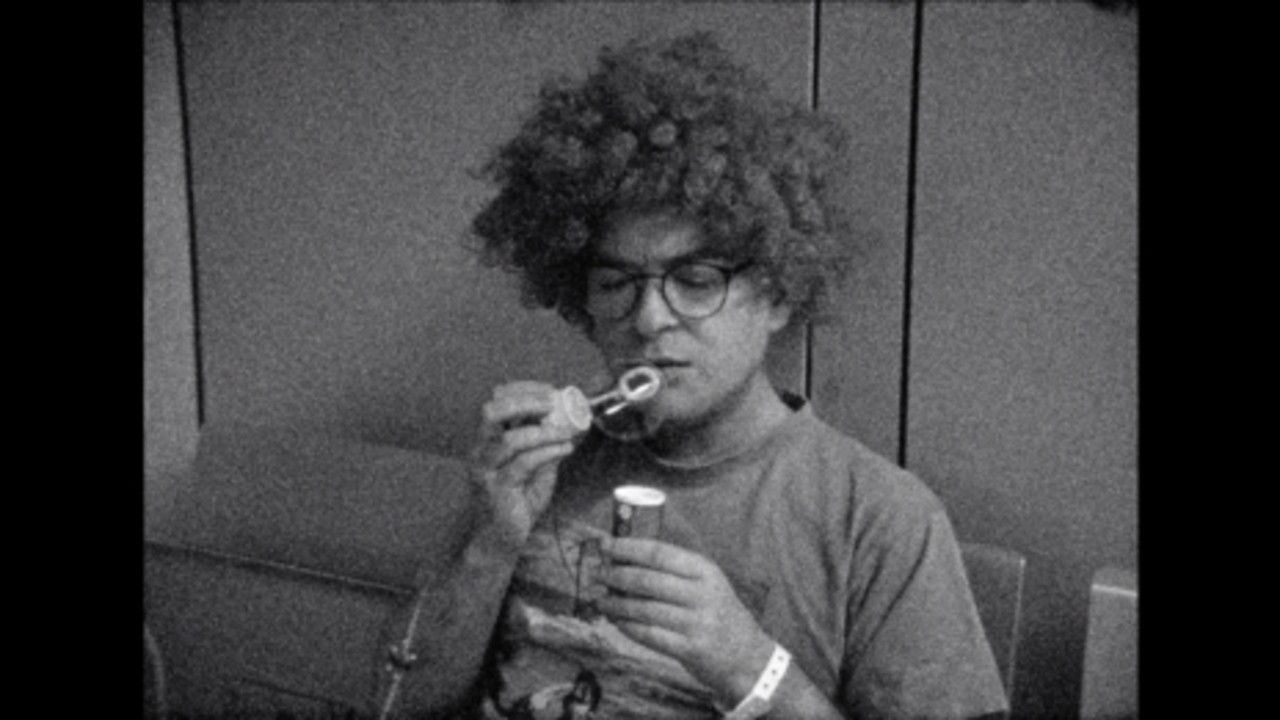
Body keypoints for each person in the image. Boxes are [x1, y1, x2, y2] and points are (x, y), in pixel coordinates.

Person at [431, 32, 1009, 719]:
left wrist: (752, 669)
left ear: (778, 293)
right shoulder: (538, 476)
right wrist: (490, 542)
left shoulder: (879, 520)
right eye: (616, 283)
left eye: (697, 280)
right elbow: (400, 700)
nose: (649, 318)